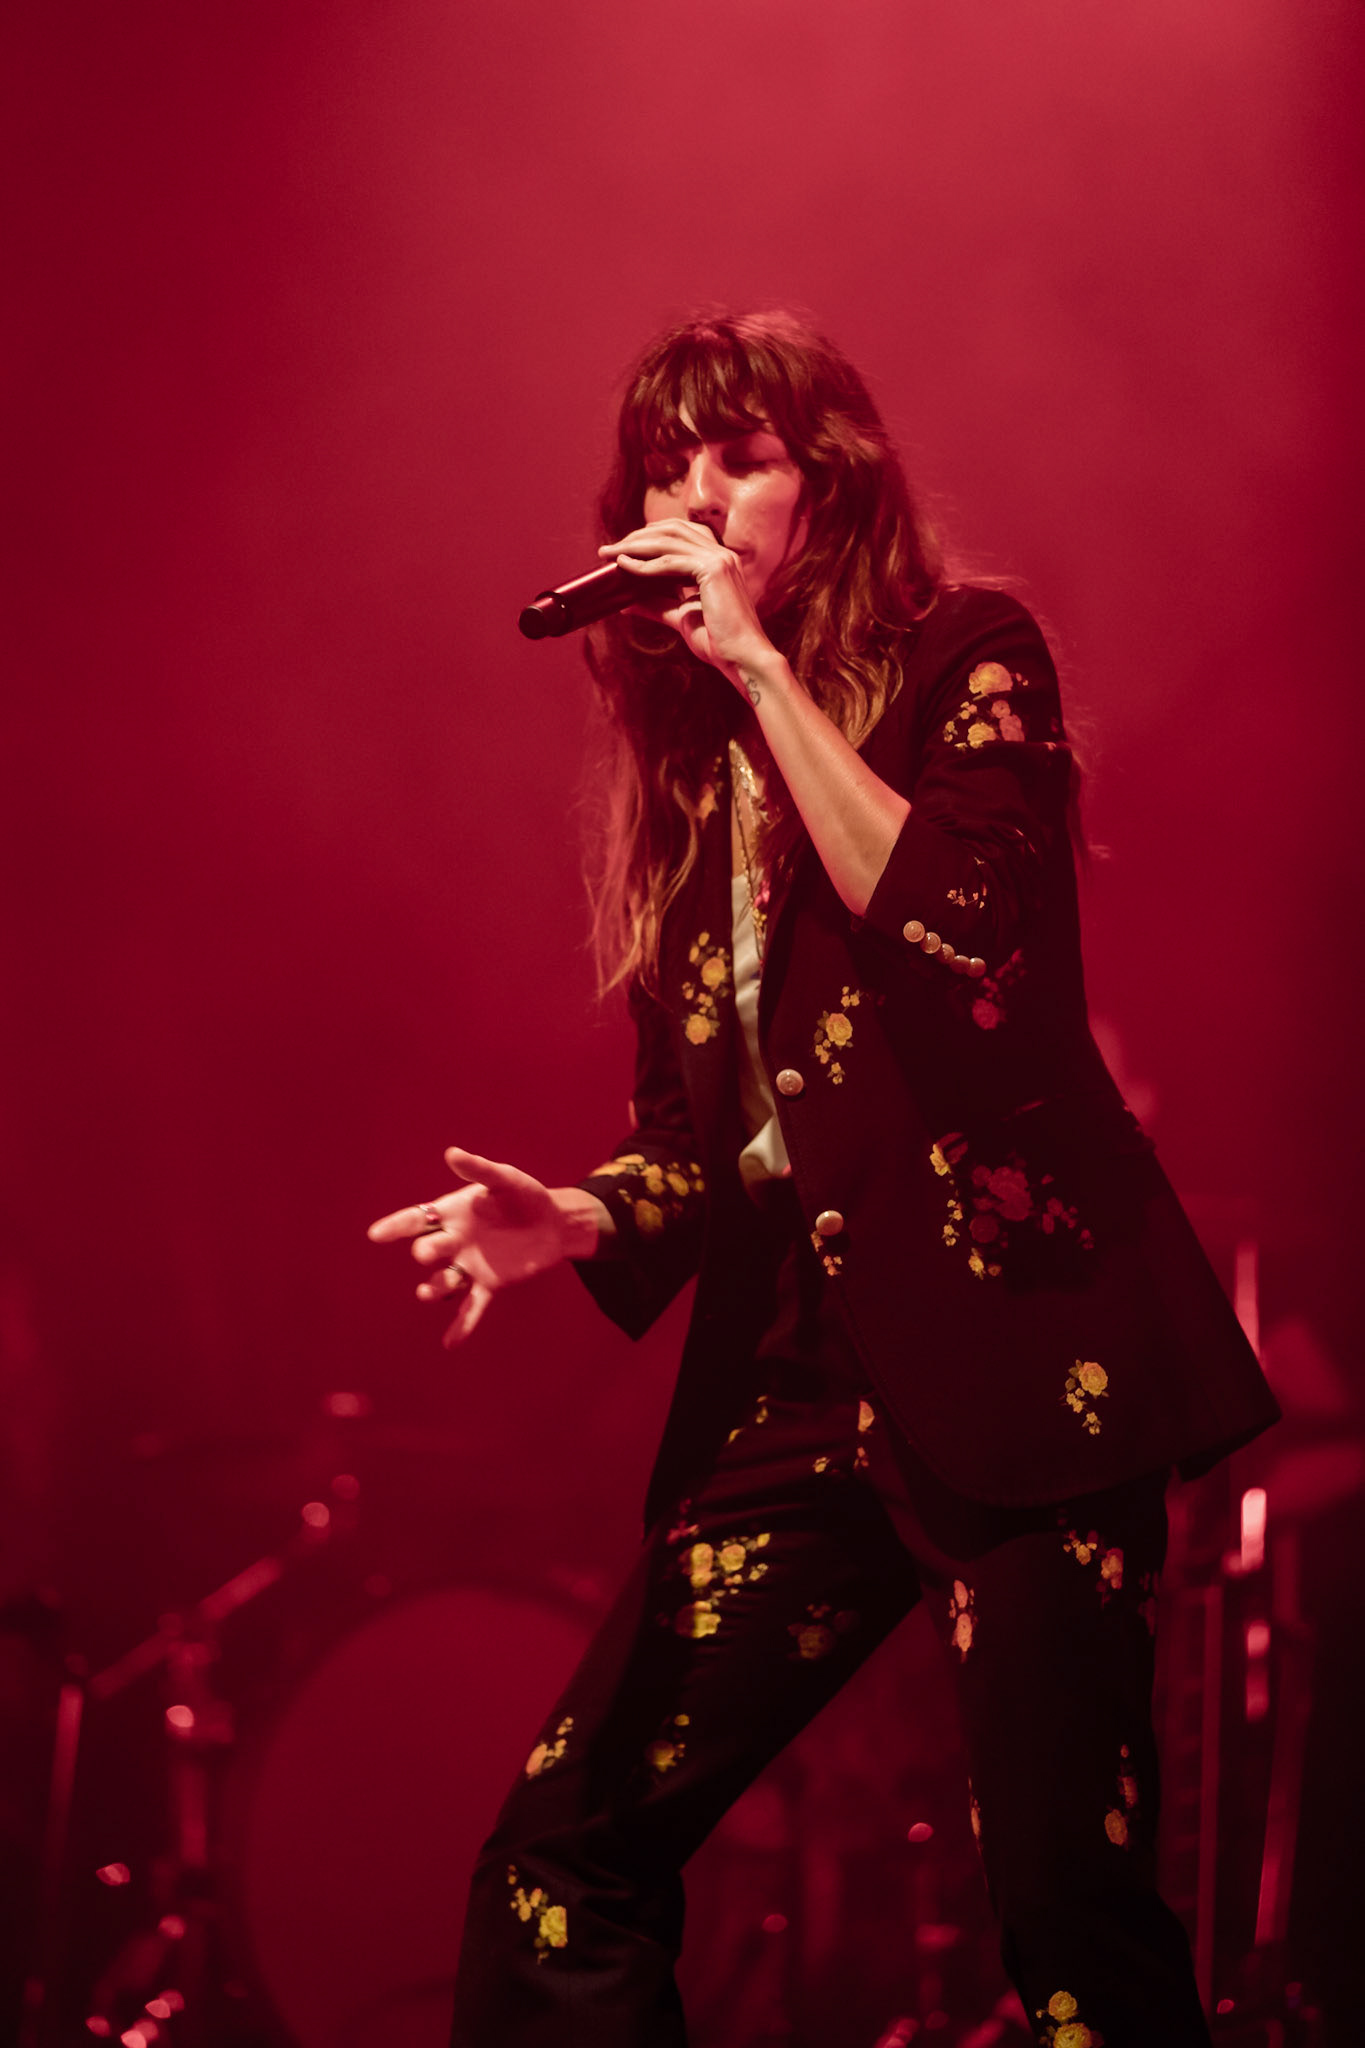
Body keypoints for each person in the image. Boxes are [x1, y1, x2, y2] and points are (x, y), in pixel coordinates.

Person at [368, 310, 1279, 2048]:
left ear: (828, 485)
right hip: (799, 1368)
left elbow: (973, 938)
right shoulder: (684, 770)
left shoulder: (971, 658)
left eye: (739, 460)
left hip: (1021, 1349)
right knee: (558, 1863)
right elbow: (708, 1146)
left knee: (1069, 1916)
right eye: (662, 468)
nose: (693, 498)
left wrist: (766, 678)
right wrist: (570, 1217)